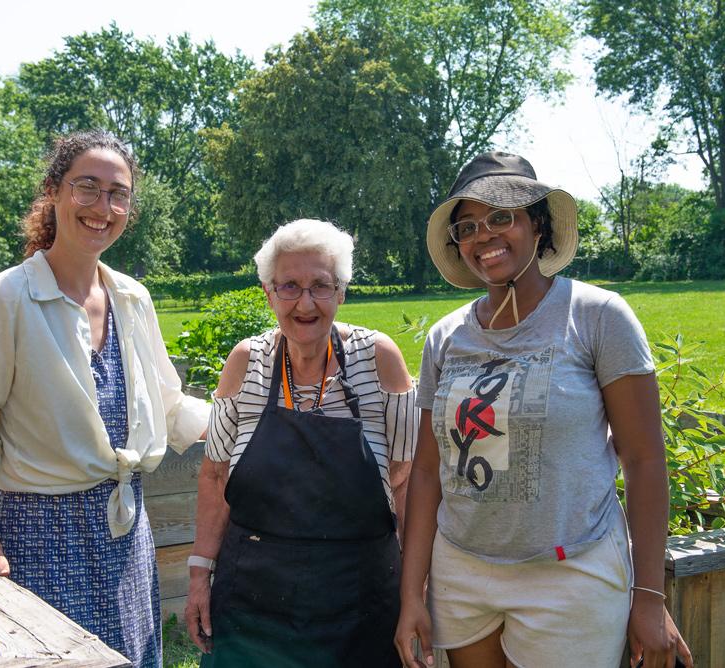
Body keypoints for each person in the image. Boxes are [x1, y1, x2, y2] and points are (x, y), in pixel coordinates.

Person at [393, 152, 694, 668]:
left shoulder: (597, 317)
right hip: (462, 572)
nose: (483, 235)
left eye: (502, 217)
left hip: (570, 573)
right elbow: (425, 471)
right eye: (467, 226)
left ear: (539, 225)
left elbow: (644, 460)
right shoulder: (446, 337)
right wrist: (411, 594)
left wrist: (649, 596)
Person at [0, 129, 211, 668]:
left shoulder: (133, 298)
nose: (103, 206)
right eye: (87, 186)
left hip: (126, 536)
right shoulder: (6, 298)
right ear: (53, 193)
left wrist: (252, 421)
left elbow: (169, 405)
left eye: (118, 193)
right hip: (40, 537)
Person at [184, 219, 418, 667]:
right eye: (289, 286)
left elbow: (406, 481)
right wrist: (198, 576)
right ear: (269, 294)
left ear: (341, 293)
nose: (305, 302)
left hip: (359, 594)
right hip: (253, 594)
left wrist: (415, 592)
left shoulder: (379, 358)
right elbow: (215, 476)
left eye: (321, 286)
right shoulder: (246, 361)